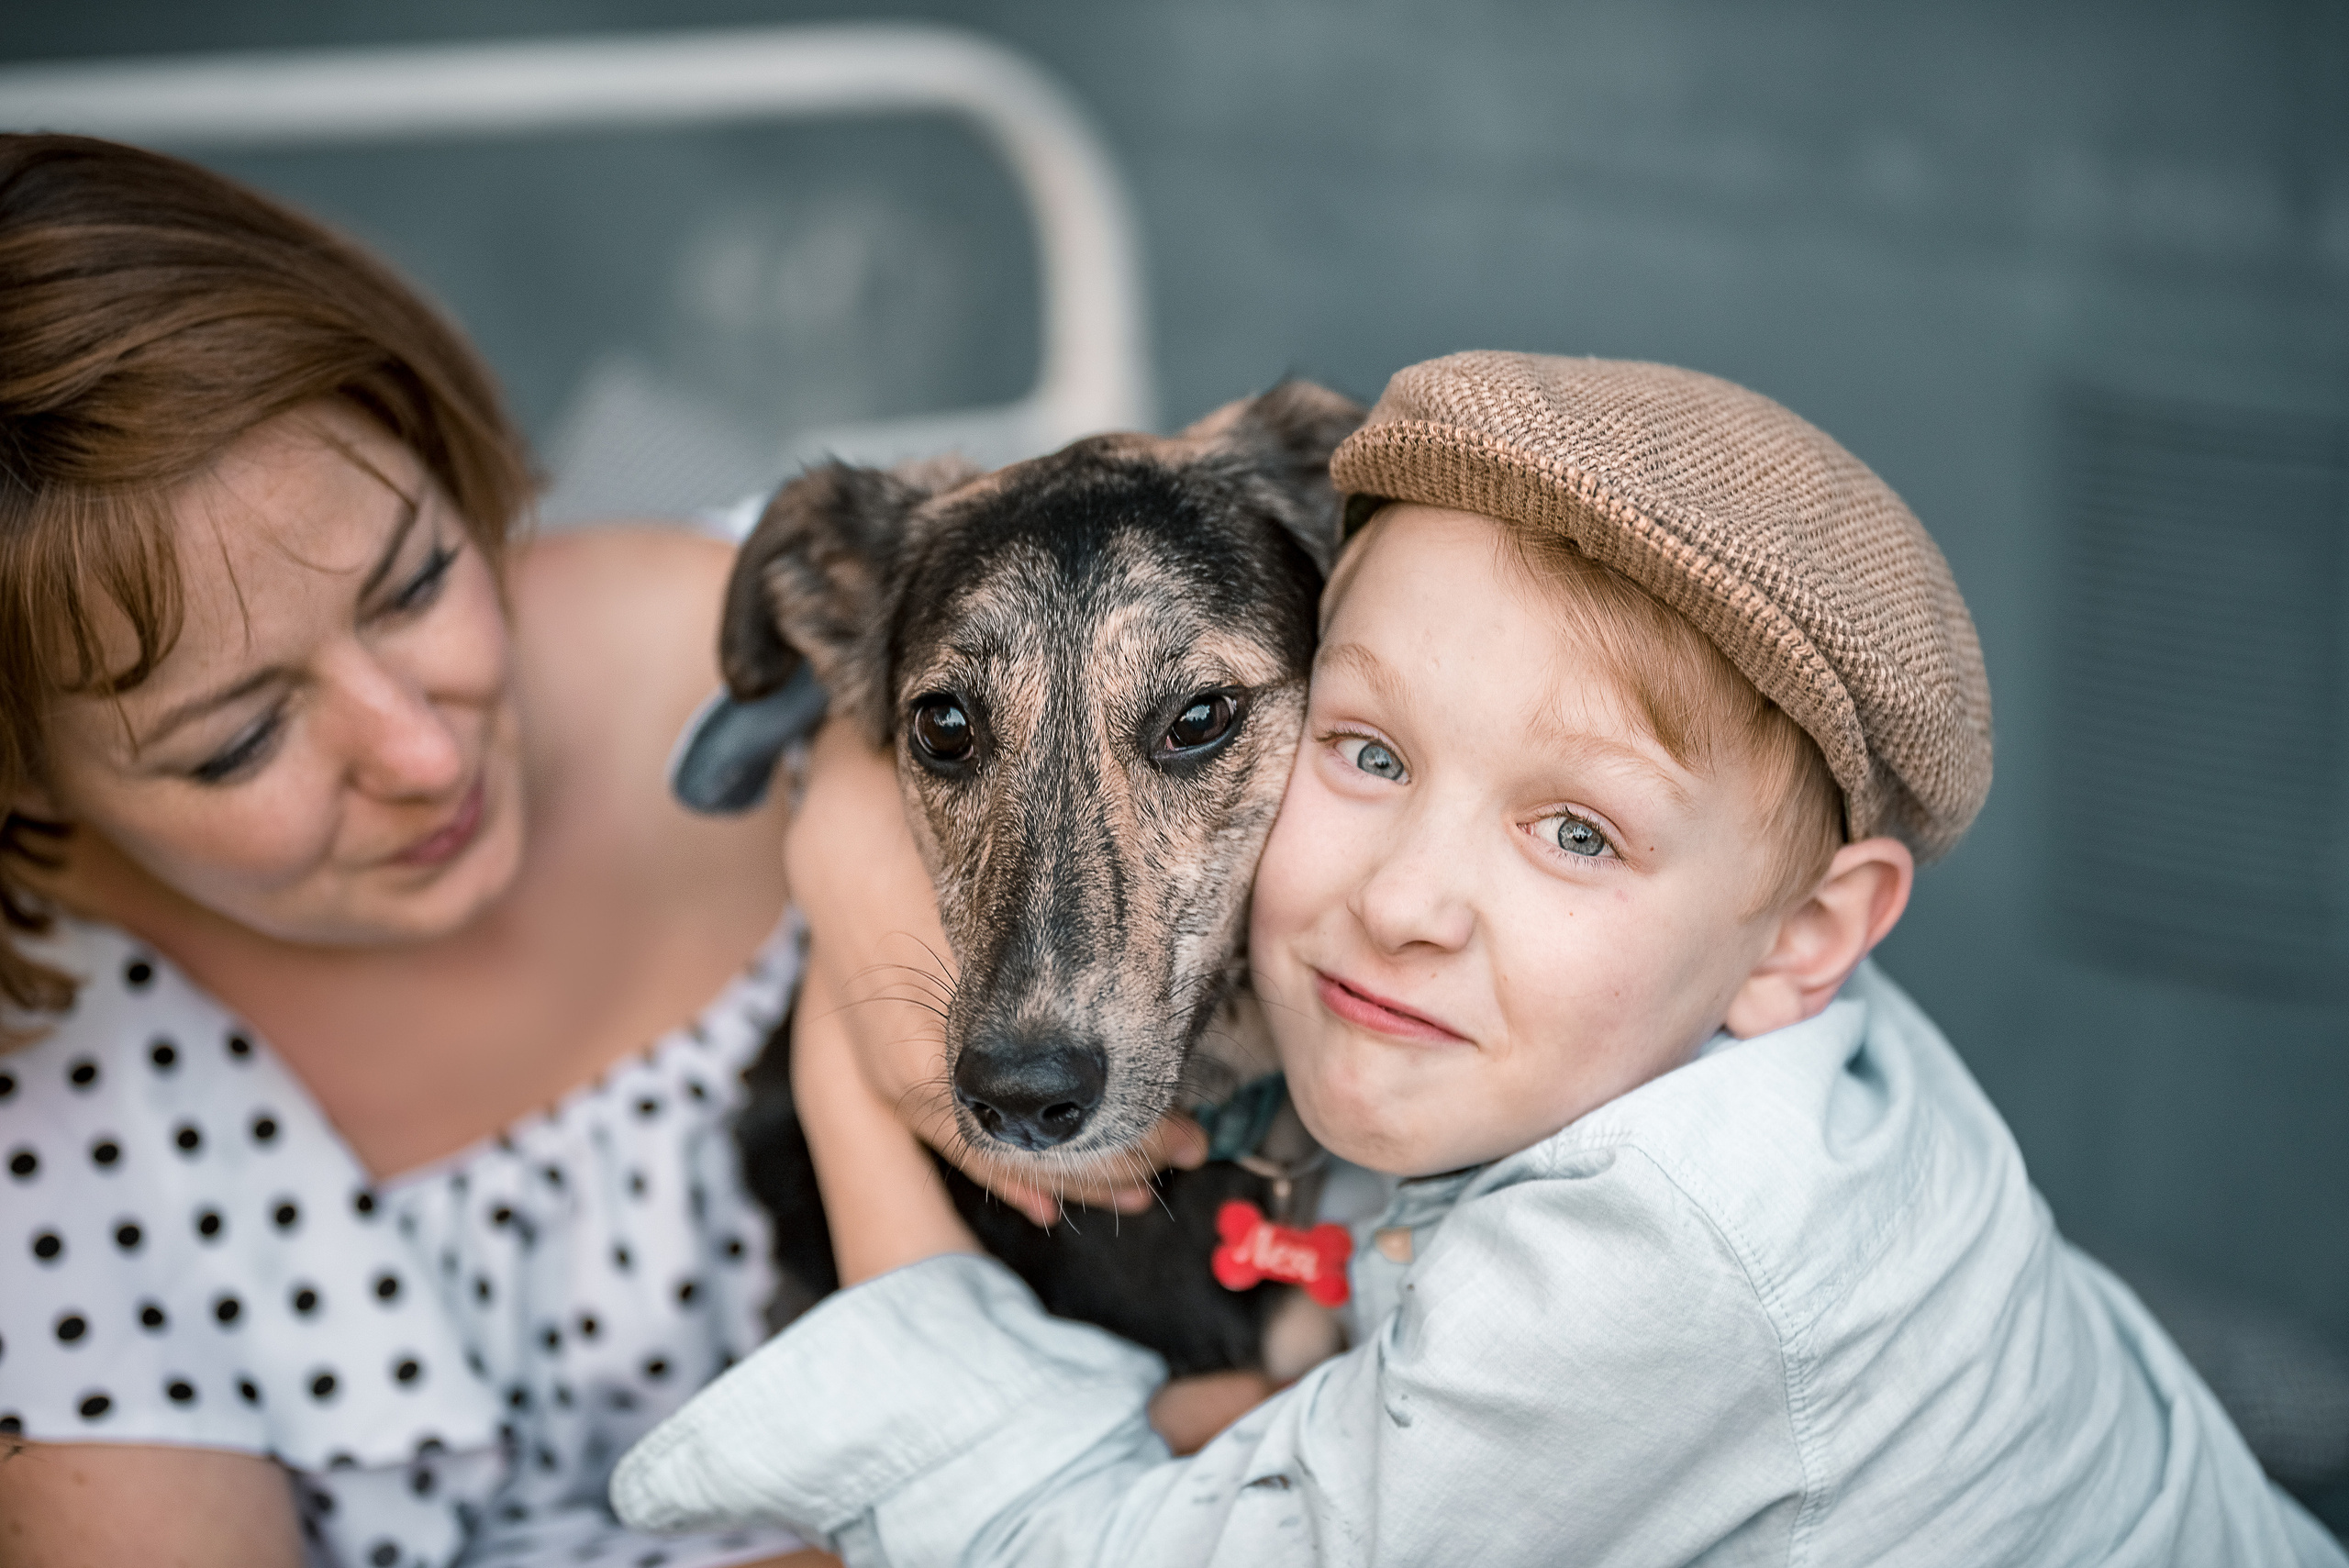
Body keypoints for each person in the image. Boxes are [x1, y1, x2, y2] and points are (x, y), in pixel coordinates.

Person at [609, 352, 2347, 1565]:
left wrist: (856, 1053)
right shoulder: (1599, 1021)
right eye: (1367, 754)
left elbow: (1072, 1547)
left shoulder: (1666, 1260)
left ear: (1808, 936)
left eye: (1203, 720)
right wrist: (850, 822)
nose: (1408, 904)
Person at [0, 134, 838, 1568]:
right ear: (30, 784)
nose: (425, 755)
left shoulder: (806, 659)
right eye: (236, 742)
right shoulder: (54, 1136)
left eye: (418, 580)